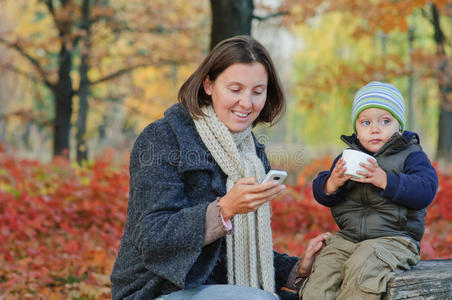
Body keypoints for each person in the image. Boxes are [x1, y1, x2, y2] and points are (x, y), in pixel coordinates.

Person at [110, 35, 328, 300]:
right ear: (209, 85)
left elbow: (238, 253)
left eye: (258, 91)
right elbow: (152, 240)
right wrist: (224, 209)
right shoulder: (162, 138)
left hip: (217, 286)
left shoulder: (250, 152)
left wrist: (297, 269)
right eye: (235, 90)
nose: (247, 103)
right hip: (156, 290)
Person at [300, 81, 438, 300]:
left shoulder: (410, 154)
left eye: (385, 121)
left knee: (362, 269)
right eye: (366, 122)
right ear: (356, 128)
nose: (375, 128)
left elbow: (426, 190)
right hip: (348, 238)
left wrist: (385, 181)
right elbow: (321, 191)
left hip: (395, 240)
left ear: (399, 126)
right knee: (323, 271)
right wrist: (332, 183)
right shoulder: (350, 155)